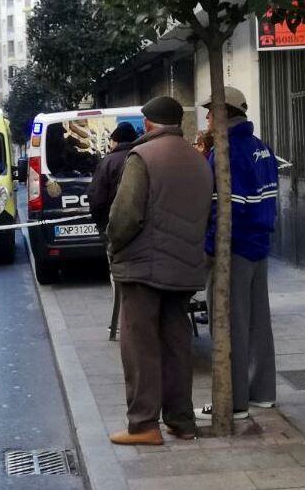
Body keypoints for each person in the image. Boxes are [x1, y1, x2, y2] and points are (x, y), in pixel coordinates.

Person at [106, 96, 213, 446]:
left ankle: (143, 425)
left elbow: (125, 215)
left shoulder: (143, 156)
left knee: (140, 347)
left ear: (148, 123)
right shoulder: (198, 160)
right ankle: (182, 421)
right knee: (176, 345)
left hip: (144, 268)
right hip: (183, 268)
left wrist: (114, 247)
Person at [197, 86, 279, 421]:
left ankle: (233, 402)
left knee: (228, 325)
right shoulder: (262, 148)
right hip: (259, 246)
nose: (207, 117)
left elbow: (224, 209)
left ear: (223, 113)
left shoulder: (225, 152)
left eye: (210, 111)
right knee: (258, 323)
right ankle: (262, 393)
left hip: (234, 249)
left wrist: (210, 248)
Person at [87, 122, 138, 341]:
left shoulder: (108, 162)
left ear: (115, 141)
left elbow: (97, 197)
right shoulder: (141, 157)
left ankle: (122, 322)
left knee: (117, 274)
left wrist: (100, 223)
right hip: (139, 227)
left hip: (113, 227)